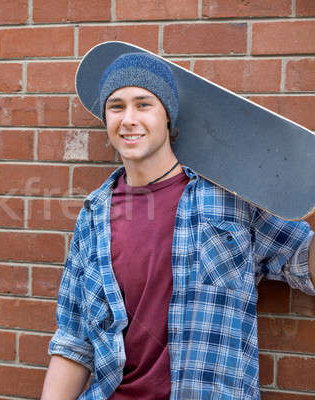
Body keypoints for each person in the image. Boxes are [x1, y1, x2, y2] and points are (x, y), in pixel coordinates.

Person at [41, 51, 315, 399]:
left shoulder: (227, 199)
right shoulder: (94, 215)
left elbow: (303, 264)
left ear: (167, 116)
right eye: (116, 106)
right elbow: (73, 342)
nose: (128, 119)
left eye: (143, 105)